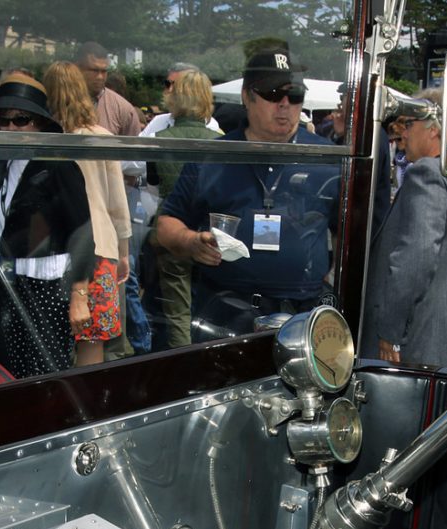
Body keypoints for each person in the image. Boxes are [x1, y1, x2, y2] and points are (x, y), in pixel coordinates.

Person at [156, 49, 338, 334]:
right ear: (246, 96)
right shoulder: (214, 156)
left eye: (295, 95)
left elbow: (351, 232)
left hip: (304, 314)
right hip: (224, 312)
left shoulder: (326, 159)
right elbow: (166, 224)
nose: (285, 104)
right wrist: (191, 242)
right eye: (272, 92)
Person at [363, 90, 447, 373]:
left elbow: (415, 258)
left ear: (434, 129)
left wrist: (390, 331)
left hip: (423, 342)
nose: (402, 135)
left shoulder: (427, 174)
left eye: (408, 124)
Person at [0, 75, 94, 378]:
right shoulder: (4, 164)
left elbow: (83, 229)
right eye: (4, 121)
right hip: (5, 285)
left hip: (48, 291)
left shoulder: (57, 164)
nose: (12, 128)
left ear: (39, 123)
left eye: (21, 119)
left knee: (44, 376)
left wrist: (79, 296)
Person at [43, 61, 131, 366]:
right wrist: (124, 251)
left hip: (52, 253)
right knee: (92, 339)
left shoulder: (46, 140)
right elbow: (117, 203)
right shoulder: (100, 136)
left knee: (52, 337)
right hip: (100, 248)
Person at [146, 70, 222, 349]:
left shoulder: (161, 137)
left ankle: (184, 357)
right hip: (210, 230)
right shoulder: (222, 141)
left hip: (171, 229)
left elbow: (153, 181)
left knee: (177, 310)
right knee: (210, 304)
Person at [76, 41, 140, 137]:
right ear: (77, 68)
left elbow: (134, 149)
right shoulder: (59, 101)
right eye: (94, 70)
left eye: (104, 71)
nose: (100, 77)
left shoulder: (124, 110)